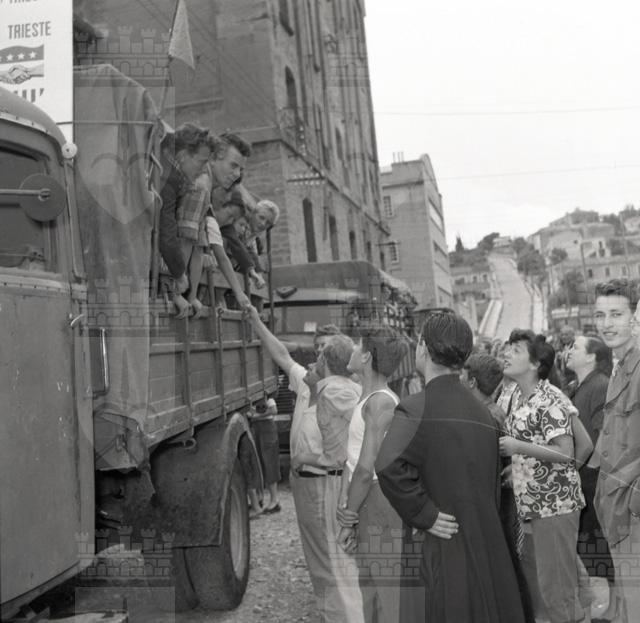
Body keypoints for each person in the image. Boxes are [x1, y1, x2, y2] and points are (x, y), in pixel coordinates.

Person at [375, 310, 526, 623]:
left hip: (441, 543)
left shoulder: (416, 407)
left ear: (423, 348)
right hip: (486, 544)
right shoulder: (484, 412)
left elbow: (387, 463)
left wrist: (423, 513)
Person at [245, 306, 364, 623]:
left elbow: (356, 445)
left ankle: (347, 616)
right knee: (319, 559)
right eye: (317, 348)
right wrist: (255, 320)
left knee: (334, 559)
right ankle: (332, 614)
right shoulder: (308, 383)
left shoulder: (344, 393)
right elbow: (281, 355)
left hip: (325, 482)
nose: (317, 355)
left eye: (324, 350)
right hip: (304, 483)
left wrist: (311, 459)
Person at [499, 330, 587, 623]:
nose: (507, 354)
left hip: (555, 507)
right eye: (508, 348)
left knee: (557, 591)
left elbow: (567, 451)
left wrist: (518, 448)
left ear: (535, 364)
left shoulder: (549, 398)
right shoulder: (518, 395)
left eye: (516, 350)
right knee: (553, 586)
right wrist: (521, 468)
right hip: (538, 506)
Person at [336, 325, 408, 623]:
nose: (352, 350)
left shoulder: (381, 402)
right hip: (367, 501)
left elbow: (366, 468)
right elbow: (353, 461)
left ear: (366, 357)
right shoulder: (370, 399)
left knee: (388, 595)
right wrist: (347, 504)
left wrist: (348, 518)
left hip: (378, 501)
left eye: (357, 346)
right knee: (370, 589)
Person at [461, 354, 536, 623]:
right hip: (501, 498)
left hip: (498, 501)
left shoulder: (485, 416)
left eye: (463, 374)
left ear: (472, 381)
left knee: (506, 564)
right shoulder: (491, 412)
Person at [592, 278, 640, 622]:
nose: (606, 324)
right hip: (616, 511)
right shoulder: (619, 366)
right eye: (600, 315)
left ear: (635, 318)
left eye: (616, 314)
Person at [566, 333, 617, 620]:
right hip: (582, 476)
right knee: (587, 542)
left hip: (591, 479)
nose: (568, 351)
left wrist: (583, 473)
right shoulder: (579, 386)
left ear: (591, 357)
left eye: (575, 347)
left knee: (594, 541)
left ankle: (605, 607)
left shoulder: (600, 386)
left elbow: (602, 438)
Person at [159, 123, 212, 313]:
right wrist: (179, 274)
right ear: (183, 156)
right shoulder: (168, 179)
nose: (204, 169)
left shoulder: (165, 167)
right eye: (201, 162)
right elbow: (166, 232)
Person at [204, 189, 250, 309]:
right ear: (219, 205)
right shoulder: (210, 221)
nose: (230, 222)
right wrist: (239, 292)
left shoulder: (224, 227)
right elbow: (222, 258)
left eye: (233, 220)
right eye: (230, 216)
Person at [247, 395, 281, 518]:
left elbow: (274, 410)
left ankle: (274, 500)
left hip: (266, 427)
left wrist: (256, 415)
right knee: (258, 463)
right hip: (256, 427)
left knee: (269, 462)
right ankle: (260, 498)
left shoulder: (264, 394)